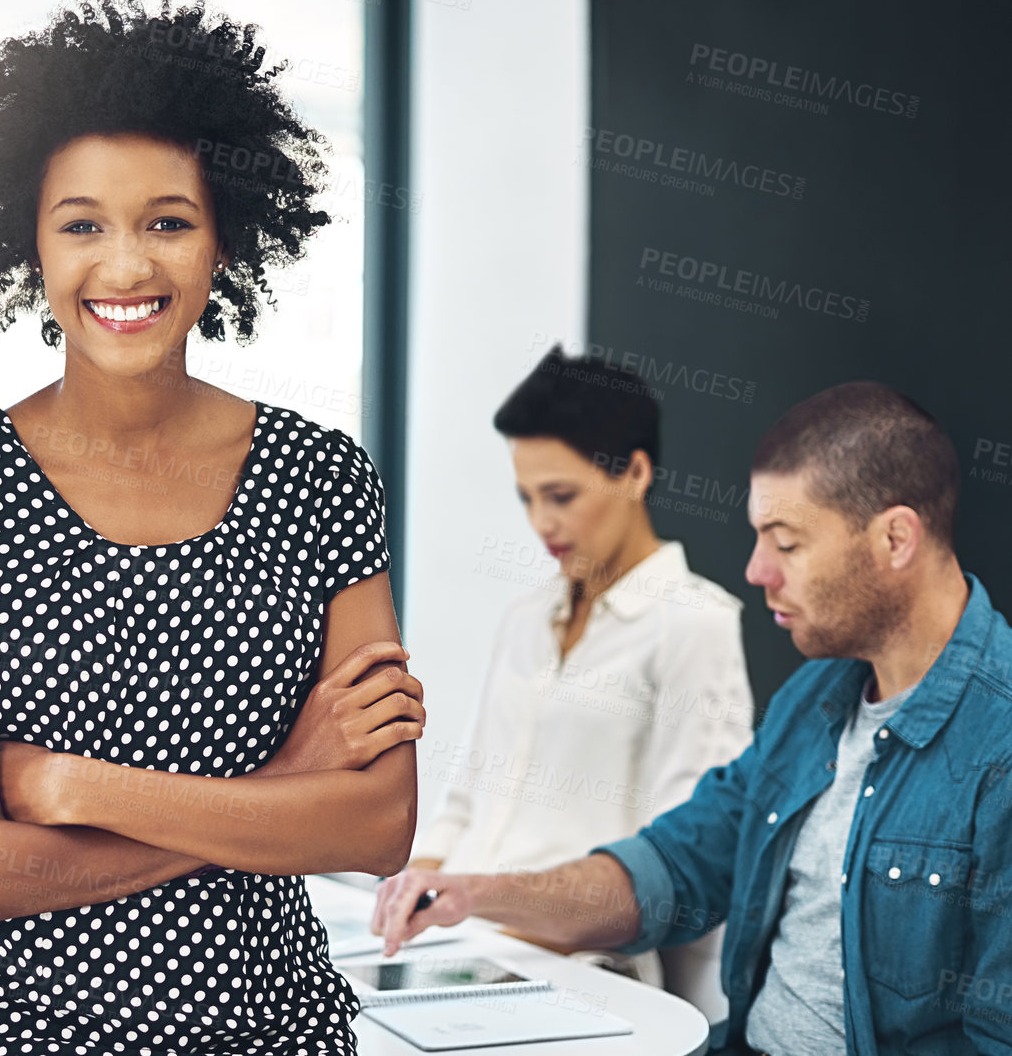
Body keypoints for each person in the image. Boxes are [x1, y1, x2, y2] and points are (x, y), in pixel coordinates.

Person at [0, 0, 424, 1055]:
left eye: (168, 222)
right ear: (29, 244)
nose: (125, 267)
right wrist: (273, 794)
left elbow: (375, 826)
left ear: (224, 241)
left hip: (271, 1032)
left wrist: (77, 789)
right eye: (82, 225)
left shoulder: (321, 480)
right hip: (18, 1035)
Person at [376, 382, 1012, 1055]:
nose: (755, 568)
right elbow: (669, 866)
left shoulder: (995, 744)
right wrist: (473, 892)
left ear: (894, 538)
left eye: (786, 542)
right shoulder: (813, 702)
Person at [385, 347, 753, 987]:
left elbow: (684, 854)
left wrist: (480, 918)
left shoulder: (694, 622)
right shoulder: (526, 618)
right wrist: (403, 900)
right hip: (460, 954)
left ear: (635, 473)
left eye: (560, 495)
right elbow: (469, 801)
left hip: (584, 967)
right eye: (527, 497)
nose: (541, 523)